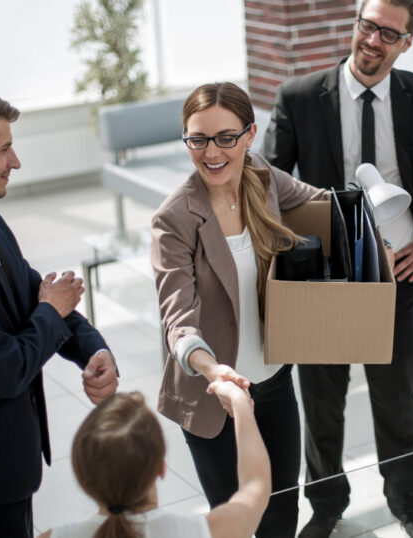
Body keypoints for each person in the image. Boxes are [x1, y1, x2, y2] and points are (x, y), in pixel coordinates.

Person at [262, 1, 413, 536]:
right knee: (322, 404)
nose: (373, 40)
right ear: (356, 25)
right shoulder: (300, 97)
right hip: (322, 276)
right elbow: (264, 186)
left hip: (397, 272)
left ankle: (406, 502)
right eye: (367, 26)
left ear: (407, 41)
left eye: (388, 33)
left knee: (397, 401)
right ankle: (326, 507)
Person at [0, 89, 119, 538]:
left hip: (7, 464)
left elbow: (37, 297)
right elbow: (5, 368)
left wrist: (94, 349)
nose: (15, 162)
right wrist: (52, 309)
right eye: (4, 149)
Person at [149, 81, 327, 538]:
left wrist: (375, 236)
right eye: (198, 139)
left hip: (273, 380)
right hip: (215, 398)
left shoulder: (262, 177)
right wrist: (214, 373)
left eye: (226, 137)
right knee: (237, 522)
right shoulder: (175, 219)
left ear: (249, 135)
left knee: (282, 512)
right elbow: (178, 319)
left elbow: (321, 204)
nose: (212, 152)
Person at [38, 386, 270, 538]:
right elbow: (256, 483)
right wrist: (240, 404)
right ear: (161, 468)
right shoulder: (204, 532)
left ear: (83, 476)